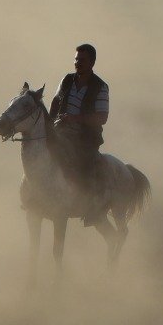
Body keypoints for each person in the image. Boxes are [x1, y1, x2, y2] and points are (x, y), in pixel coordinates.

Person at [46, 42, 109, 225]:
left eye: (82, 60)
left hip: (86, 138)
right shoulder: (66, 80)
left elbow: (102, 117)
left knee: (85, 164)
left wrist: (75, 118)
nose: (77, 63)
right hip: (61, 131)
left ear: (92, 62)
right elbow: (56, 101)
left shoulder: (101, 87)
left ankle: (90, 206)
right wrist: (49, 123)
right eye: (76, 59)